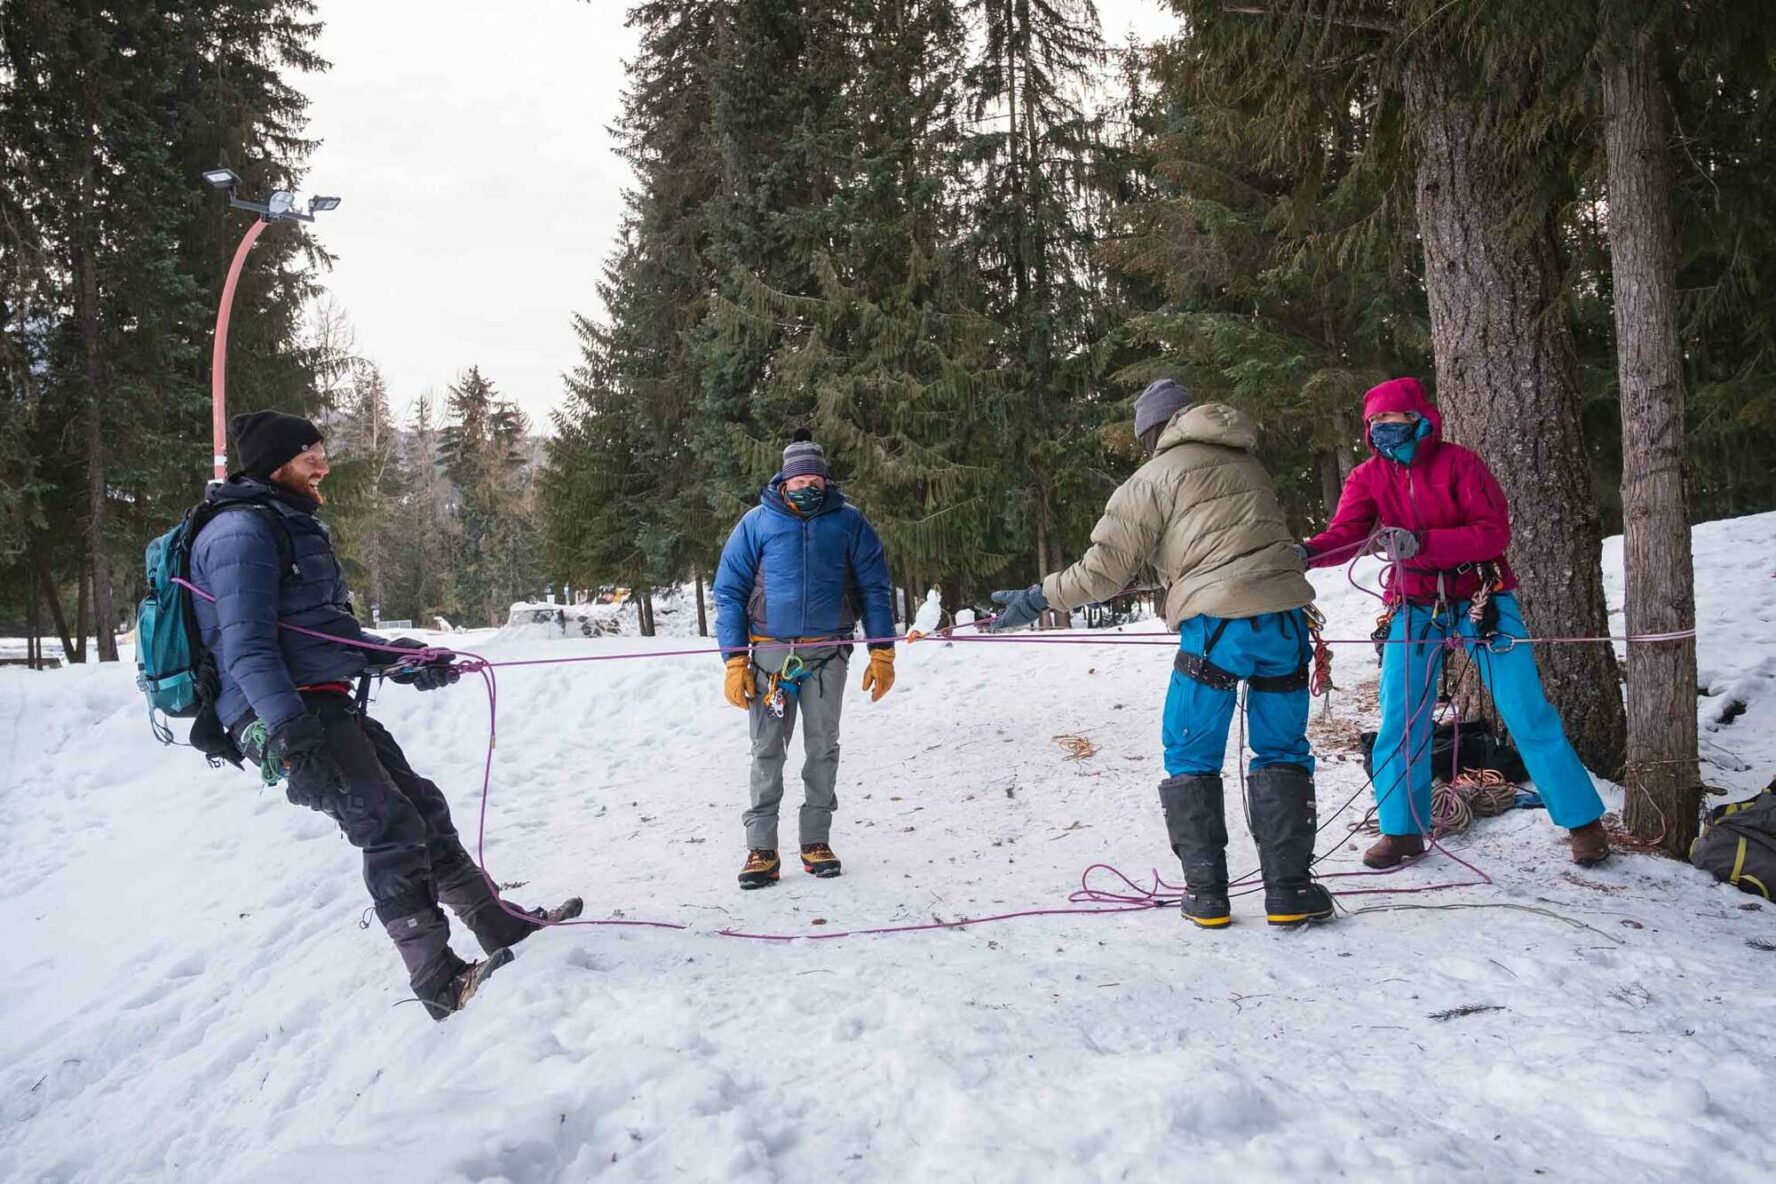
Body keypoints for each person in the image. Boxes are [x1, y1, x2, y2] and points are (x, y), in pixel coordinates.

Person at [189, 411, 582, 1021]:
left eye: (321, 450)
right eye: (308, 454)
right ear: (274, 464)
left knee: (421, 806)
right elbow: (247, 649)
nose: (323, 463)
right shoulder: (240, 533)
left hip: (318, 697)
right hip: (281, 710)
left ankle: (500, 925)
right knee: (388, 824)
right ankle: (438, 978)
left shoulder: (282, 523)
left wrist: (404, 659)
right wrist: (291, 736)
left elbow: (323, 631)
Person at [987, 379, 1332, 929]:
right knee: (1283, 750)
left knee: (1190, 750)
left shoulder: (1152, 478)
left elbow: (1102, 573)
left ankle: (1207, 896)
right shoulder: (1248, 464)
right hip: (1285, 620)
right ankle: (1289, 892)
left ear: (1152, 432)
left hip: (1219, 625)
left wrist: (1037, 598)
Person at [1300, 377, 1611, 868]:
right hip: (1413, 604)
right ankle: (1402, 830)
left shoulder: (1459, 464)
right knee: (1400, 720)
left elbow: (1492, 533)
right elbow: (1346, 533)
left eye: (1392, 418)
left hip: (1481, 600)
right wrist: (1307, 554)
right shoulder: (1368, 476)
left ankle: (1582, 822)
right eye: (1375, 421)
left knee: (1525, 710)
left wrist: (1422, 544)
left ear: (1418, 419)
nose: (1383, 428)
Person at [713, 429, 897, 889]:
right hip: (767, 656)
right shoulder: (755, 523)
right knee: (766, 751)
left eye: (814, 479)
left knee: (822, 747)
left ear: (825, 480)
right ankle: (761, 849)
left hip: (827, 654)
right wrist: (735, 660)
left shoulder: (850, 523)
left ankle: (816, 840)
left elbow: (875, 588)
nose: (807, 487)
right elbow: (729, 593)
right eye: (799, 481)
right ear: (784, 482)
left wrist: (882, 650)